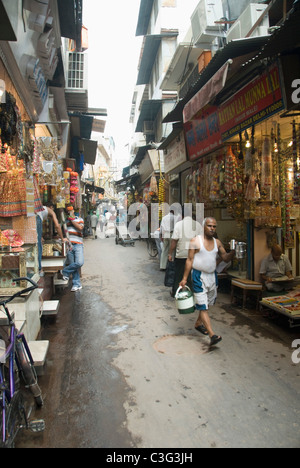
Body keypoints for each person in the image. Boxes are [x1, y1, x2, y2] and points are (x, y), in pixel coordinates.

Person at [180, 217, 235, 347]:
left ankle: (198, 324)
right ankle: (212, 335)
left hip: (212, 276)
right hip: (198, 276)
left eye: (214, 226)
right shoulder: (195, 241)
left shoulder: (217, 242)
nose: (212, 229)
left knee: (208, 303)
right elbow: (189, 260)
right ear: (204, 227)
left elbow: (225, 258)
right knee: (203, 307)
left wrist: (234, 251)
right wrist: (184, 279)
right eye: (210, 226)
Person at [168, 209, 202, 297]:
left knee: (178, 274)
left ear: (182, 215)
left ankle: (176, 291)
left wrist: (170, 253)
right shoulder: (198, 225)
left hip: (181, 254)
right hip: (194, 255)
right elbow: (201, 241)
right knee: (192, 275)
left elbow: (174, 241)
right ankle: (190, 293)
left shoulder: (178, 225)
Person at [36, 203, 68, 276]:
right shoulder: (50, 210)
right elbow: (57, 225)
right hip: (36, 218)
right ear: (51, 207)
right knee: (39, 245)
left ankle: (36, 267)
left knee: (36, 243)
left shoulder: (41, 210)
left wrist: (40, 236)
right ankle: (39, 269)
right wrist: (62, 238)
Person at [61, 207, 84, 292]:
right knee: (73, 264)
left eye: (70, 210)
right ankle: (76, 284)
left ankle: (65, 271)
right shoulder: (65, 221)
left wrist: (72, 220)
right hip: (69, 245)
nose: (69, 212)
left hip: (78, 245)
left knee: (79, 262)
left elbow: (80, 228)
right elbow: (63, 231)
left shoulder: (79, 219)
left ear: (73, 211)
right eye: (68, 211)